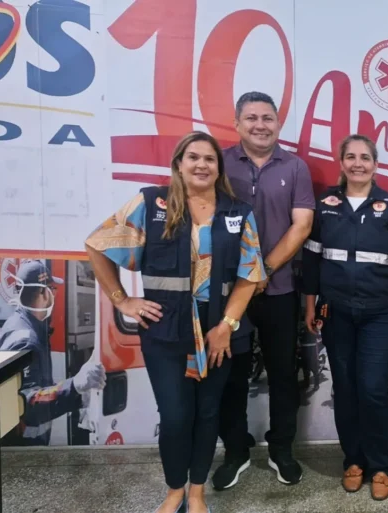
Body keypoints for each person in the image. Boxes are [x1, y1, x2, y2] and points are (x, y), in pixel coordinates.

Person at [85, 131, 265, 513]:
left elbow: (250, 275)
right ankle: (174, 491)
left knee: (208, 413)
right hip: (165, 331)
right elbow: (97, 245)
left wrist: (226, 326)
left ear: (219, 167)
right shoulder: (151, 203)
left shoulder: (238, 212)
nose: (201, 164)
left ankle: (197, 493)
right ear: (178, 165)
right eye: (193, 157)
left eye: (209, 159)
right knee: (175, 415)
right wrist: (122, 300)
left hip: (218, 331)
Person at [302, 134, 388, 500]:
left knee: (372, 389)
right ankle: (353, 460)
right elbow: (311, 259)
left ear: (375, 164)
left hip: (379, 313)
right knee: (346, 388)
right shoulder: (325, 206)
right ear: (341, 163)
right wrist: (309, 305)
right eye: (350, 157)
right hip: (335, 312)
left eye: (365, 157)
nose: (357, 164)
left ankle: (382, 465)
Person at [213, 91, 314, 489]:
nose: (260, 125)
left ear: (278, 123)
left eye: (267, 118)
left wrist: (263, 270)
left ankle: (281, 449)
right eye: (251, 118)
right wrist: (246, 277)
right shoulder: (218, 162)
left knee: (283, 374)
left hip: (280, 288)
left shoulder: (296, 166)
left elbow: (302, 225)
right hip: (227, 291)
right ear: (237, 123)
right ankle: (235, 451)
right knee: (230, 375)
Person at [0, 260, 106, 446]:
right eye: (52, 289)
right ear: (43, 292)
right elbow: (28, 403)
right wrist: (74, 385)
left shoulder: (22, 324)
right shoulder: (26, 340)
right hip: (25, 445)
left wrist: (78, 397)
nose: (55, 294)